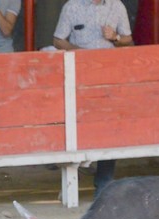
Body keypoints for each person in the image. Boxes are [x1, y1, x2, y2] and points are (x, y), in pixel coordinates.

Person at [52, 0, 133, 198]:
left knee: (108, 131)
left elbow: (128, 40)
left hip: (108, 76)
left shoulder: (117, 6)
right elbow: (57, 40)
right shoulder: (72, 6)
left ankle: (103, 183)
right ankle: (73, 182)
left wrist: (115, 37)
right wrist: (77, 51)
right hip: (79, 75)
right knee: (79, 130)